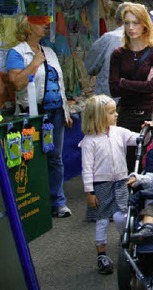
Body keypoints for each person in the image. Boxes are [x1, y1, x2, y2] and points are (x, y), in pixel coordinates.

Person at [6, 14, 73, 218]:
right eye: (40, 23)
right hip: (32, 114)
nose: (46, 25)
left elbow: (58, 82)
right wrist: (34, 63)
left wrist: (66, 111)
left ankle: (57, 202)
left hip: (55, 113)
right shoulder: (17, 53)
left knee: (55, 159)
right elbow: (16, 83)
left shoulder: (50, 51)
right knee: (31, 159)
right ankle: (34, 204)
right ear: (27, 27)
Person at [79, 95, 140, 274]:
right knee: (102, 220)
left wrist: (147, 131)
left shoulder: (118, 132)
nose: (116, 115)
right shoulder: (89, 141)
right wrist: (89, 191)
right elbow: (87, 169)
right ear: (98, 117)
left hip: (121, 182)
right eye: (112, 112)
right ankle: (102, 254)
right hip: (101, 185)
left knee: (122, 215)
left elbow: (137, 139)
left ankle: (126, 239)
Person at [109, 2, 153, 173]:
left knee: (150, 161)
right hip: (126, 114)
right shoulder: (118, 53)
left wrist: (124, 82)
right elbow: (114, 89)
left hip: (150, 113)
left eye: (135, 23)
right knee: (126, 162)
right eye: (127, 23)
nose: (131, 27)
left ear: (145, 24)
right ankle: (128, 199)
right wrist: (143, 84)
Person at [84, 2, 130, 99]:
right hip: (135, 101)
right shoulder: (147, 39)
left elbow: (90, 67)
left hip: (109, 100)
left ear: (116, 20)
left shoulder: (109, 38)